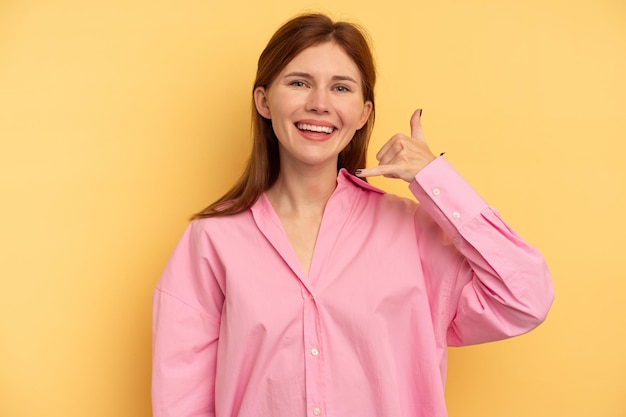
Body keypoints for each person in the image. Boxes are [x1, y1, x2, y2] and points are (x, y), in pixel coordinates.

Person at [152, 13, 554, 417]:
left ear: (362, 113)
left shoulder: (412, 232)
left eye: (340, 88)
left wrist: (435, 179)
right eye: (298, 83)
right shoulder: (212, 239)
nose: (319, 104)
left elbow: (525, 298)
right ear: (263, 101)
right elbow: (180, 399)